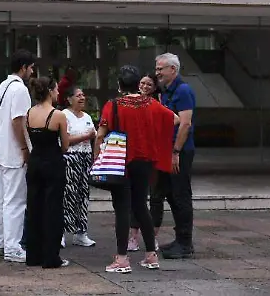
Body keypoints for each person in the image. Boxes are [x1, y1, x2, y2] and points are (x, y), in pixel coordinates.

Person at [98, 65, 175, 274]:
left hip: (121, 161)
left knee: (122, 208)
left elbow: (100, 134)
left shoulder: (113, 105)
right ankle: (151, 255)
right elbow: (174, 119)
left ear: (120, 85)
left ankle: (122, 259)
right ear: (136, 84)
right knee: (141, 205)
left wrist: (97, 156)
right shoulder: (151, 103)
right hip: (146, 161)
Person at [0, 49, 35, 263]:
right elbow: (17, 121)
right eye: (31, 67)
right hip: (14, 153)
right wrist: (24, 148)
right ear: (23, 67)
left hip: (0, 151)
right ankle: (13, 248)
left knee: (1, 200)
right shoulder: (20, 90)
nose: (32, 71)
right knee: (15, 201)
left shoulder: (5, 85)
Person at [152, 52, 197, 259]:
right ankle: (180, 239)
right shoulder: (165, 91)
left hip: (180, 152)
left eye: (161, 69)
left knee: (181, 195)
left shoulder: (183, 90)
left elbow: (185, 123)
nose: (157, 73)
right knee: (170, 194)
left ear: (173, 69)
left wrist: (175, 152)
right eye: (157, 69)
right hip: (167, 151)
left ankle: (185, 243)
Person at [24, 76, 71, 268]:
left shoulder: (29, 113)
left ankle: (33, 255)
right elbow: (66, 146)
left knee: (34, 207)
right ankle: (51, 257)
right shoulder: (58, 115)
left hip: (35, 162)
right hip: (52, 163)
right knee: (53, 209)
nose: (59, 93)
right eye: (57, 90)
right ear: (50, 91)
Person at [127, 73, 160, 252]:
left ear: (154, 88)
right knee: (136, 199)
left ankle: (151, 237)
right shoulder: (131, 102)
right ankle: (133, 237)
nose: (145, 87)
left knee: (153, 198)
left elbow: (174, 119)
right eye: (142, 83)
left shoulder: (154, 105)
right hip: (134, 155)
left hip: (149, 156)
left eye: (149, 84)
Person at [61, 86, 98, 248]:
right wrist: (85, 136)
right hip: (70, 158)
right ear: (69, 99)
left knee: (83, 195)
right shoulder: (64, 115)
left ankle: (81, 232)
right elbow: (65, 140)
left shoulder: (87, 117)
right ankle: (60, 231)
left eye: (83, 95)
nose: (82, 98)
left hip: (85, 158)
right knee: (67, 195)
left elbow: (95, 136)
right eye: (78, 95)